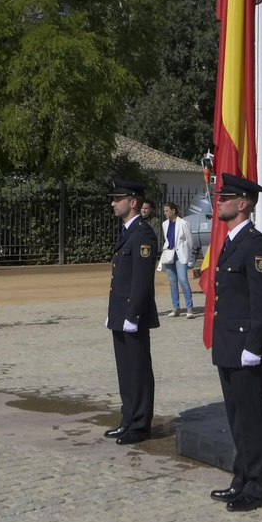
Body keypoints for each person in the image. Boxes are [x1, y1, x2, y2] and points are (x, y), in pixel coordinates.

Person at [207, 172, 262, 512]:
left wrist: (254, 346)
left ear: (242, 204)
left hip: (246, 347)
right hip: (229, 343)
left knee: (252, 419)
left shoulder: (256, 245)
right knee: (237, 418)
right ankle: (241, 479)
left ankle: (257, 487)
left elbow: (260, 303)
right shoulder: (231, 242)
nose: (218, 202)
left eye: (224, 199)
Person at [104, 179, 159, 444]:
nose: (113, 203)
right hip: (120, 313)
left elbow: (141, 280)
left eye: (118, 198)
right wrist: (113, 312)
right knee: (125, 370)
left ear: (133, 201)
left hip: (132, 316)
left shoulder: (143, 234)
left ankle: (140, 423)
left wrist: (132, 315)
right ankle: (128, 418)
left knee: (138, 370)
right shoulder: (127, 231)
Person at [157, 201, 199, 317]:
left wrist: (190, 257)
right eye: (164, 211)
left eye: (167, 211)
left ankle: (189, 308)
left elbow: (190, 241)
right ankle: (176, 308)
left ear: (173, 211)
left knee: (183, 280)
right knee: (172, 282)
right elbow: (167, 239)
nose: (165, 213)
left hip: (181, 255)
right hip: (169, 255)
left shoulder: (183, 223)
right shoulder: (165, 224)